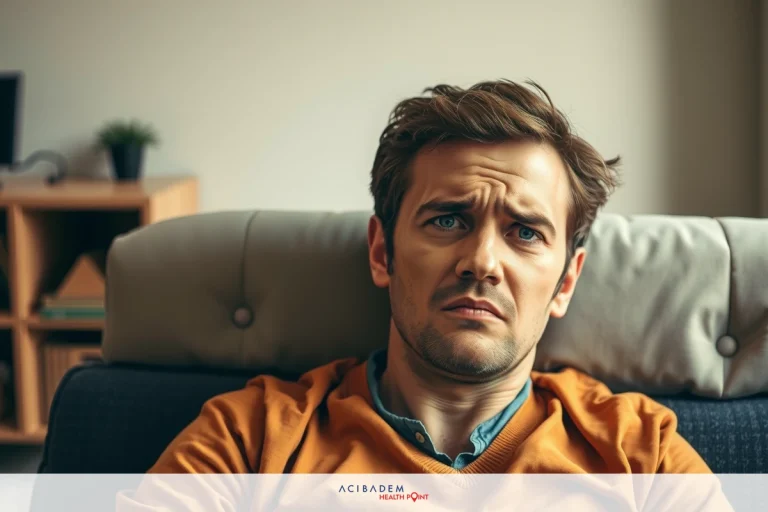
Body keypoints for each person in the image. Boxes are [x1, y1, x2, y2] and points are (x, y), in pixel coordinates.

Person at [144, 79, 710, 475]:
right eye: (447, 219)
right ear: (382, 251)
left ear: (566, 282)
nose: (482, 261)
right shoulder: (250, 440)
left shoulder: (642, 454)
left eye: (526, 232)